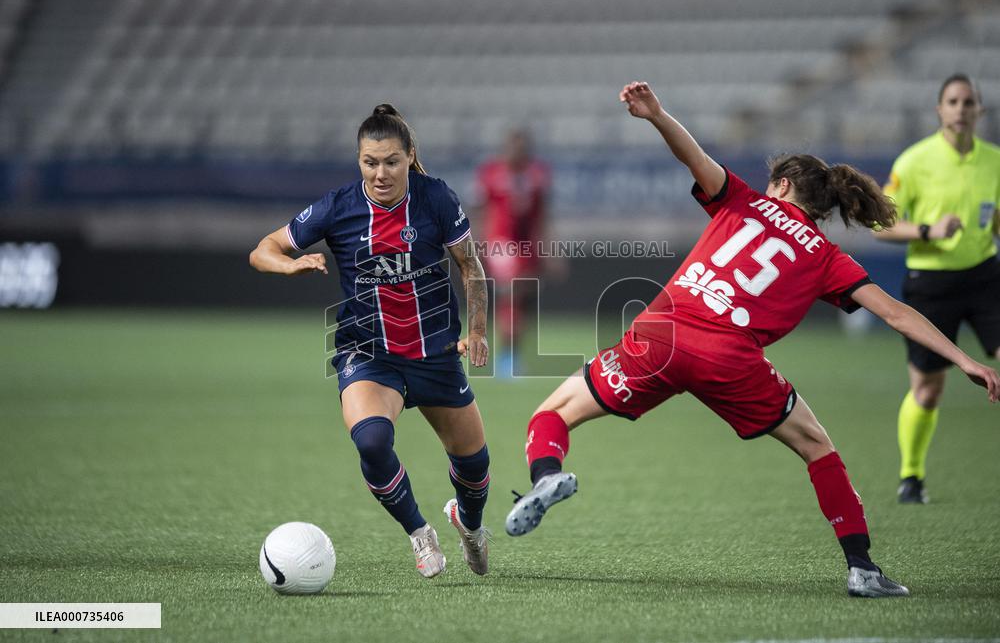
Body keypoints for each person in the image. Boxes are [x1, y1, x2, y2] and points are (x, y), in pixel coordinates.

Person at [505, 82, 1000, 598]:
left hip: (662, 334)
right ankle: (862, 568)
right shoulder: (828, 257)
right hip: (729, 359)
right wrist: (964, 359)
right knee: (816, 447)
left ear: (783, 185)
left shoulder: (740, 201)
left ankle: (546, 476)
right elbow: (897, 313)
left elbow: (692, 156)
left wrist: (656, 114)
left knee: (555, 412)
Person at [250, 104, 492, 579]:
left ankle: (469, 524)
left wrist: (478, 331)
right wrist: (289, 264)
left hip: (435, 353)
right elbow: (264, 249)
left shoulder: (436, 198)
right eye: (370, 162)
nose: (380, 173)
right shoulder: (336, 208)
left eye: (391, 162)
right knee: (373, 440)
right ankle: (420, 533)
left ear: (410, 158)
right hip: (368, 354)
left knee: (476, 471)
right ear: (359, 160)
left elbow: (471, 266)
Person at [874, 73, 1000, 504]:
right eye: (953, 101)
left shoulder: (994, 161)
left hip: (985, 277)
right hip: (931, 284)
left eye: (969, 102)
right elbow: (881, 223)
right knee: (928, 389)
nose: (961, 109)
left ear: (979, 110)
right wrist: (929, 229)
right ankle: (911, 477)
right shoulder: (914, 161)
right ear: (940, 110)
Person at [475, 128, 553, 376]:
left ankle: (510, 355)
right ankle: (506, 360)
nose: (517, 152)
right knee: (512, 292)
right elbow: (480, 210)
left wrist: (550, 250)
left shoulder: (538, 175)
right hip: (500, 243)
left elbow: (543, 216)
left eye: (521, 147)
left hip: (527, 246)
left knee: (523, 300)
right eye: (513, 147)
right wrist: (474, 246)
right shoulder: (490, 173)